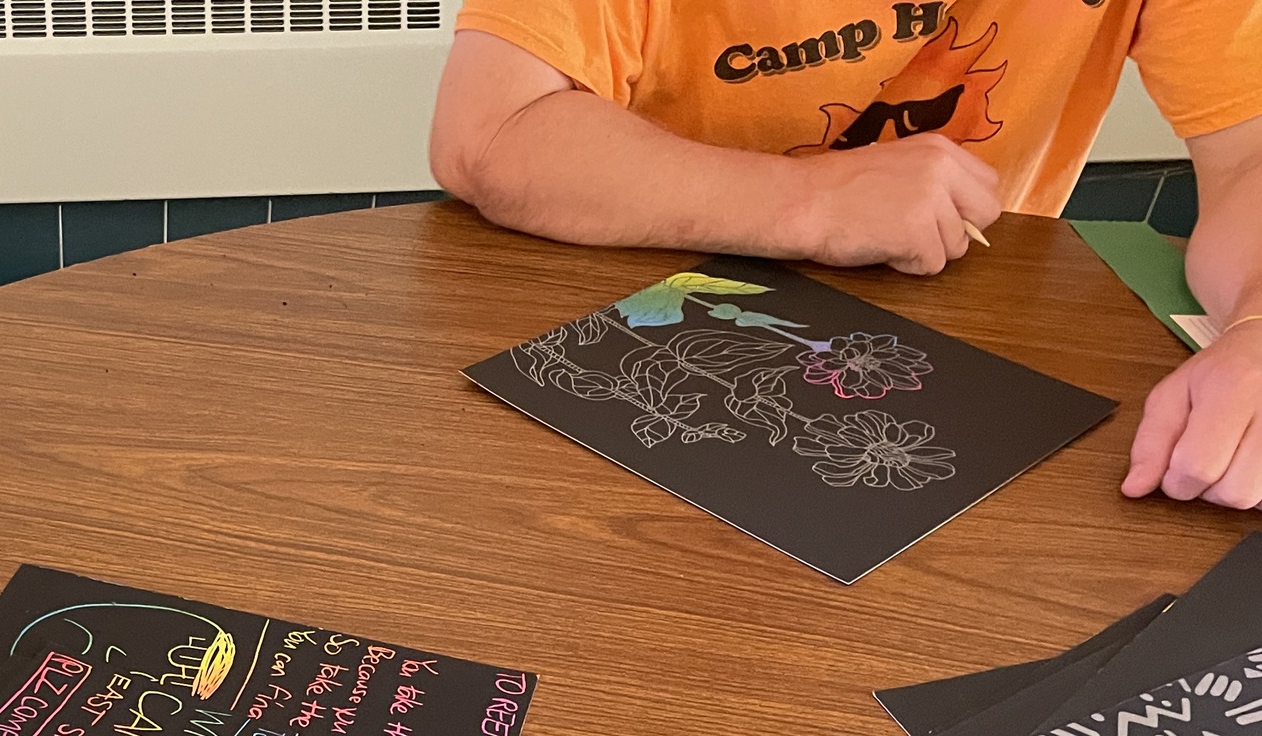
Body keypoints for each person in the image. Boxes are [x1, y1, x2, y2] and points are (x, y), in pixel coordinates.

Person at [428, 0, 1262, 511]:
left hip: (968, 344)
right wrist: (809, 201)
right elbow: (490, 135)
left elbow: (1249, 155)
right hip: (633, 323)